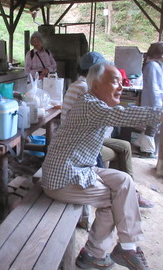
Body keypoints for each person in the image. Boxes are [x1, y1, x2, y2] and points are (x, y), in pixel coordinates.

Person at [41, 62, 163, 270]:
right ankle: (97, 252)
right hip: (62, 179)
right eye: (114, 81)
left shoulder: (94, 104)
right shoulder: (91, 105)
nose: (121, 87)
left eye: (121, 82)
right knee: (115, 200)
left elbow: (122, 114)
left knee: (124, 180)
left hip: (78, 169)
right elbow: (127, 115)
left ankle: (124, 247)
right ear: (95, 85)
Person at [62, 51, 154, 214]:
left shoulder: (78, 84)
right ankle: (122, 194)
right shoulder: (85, 89)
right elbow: (107, 118)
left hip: (87, 136)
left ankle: (128, 191)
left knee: (124, 146)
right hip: (82, 142)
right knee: (118, 151)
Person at [134, 41, 163, 157]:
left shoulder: (158, 65)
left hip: (155, 100)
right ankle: (147, 150)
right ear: (161, 54)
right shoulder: (152, 66)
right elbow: (154, 88)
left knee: (151, 126)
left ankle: (139, 143)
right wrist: (158, 105)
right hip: (153, 101)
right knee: (152, 126)